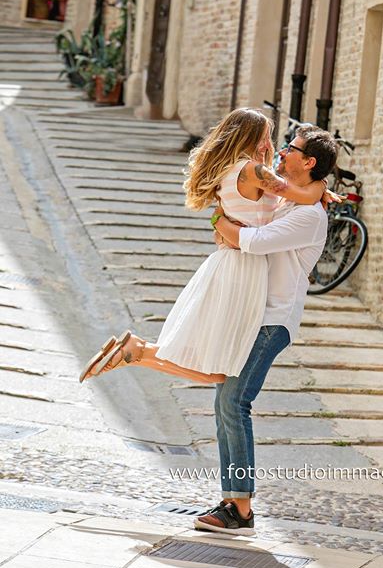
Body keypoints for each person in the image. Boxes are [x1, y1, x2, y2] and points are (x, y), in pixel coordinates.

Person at [80, 108, 337, 386]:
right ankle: (137, 351)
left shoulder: (232, 170)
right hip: (244, 268)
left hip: (229, 263)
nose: (269, 145)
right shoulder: (253, 170)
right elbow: (299, 194)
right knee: (218, 368)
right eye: (264, 137)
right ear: (248, 137)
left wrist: (219, 220)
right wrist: (321, 186)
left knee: (213, 365)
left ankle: (137, 352)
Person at [193, 125, 338, 536]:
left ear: (308, 162)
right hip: (252, 313)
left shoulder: (309, 216)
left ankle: (241, 508)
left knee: (234, 403)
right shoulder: (295, 200)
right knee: (224, 402)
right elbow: (259, 204)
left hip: (272, 320)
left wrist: (221, 220)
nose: (283, 153)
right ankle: (231, 501)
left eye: (290, 149)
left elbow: (252, 241)